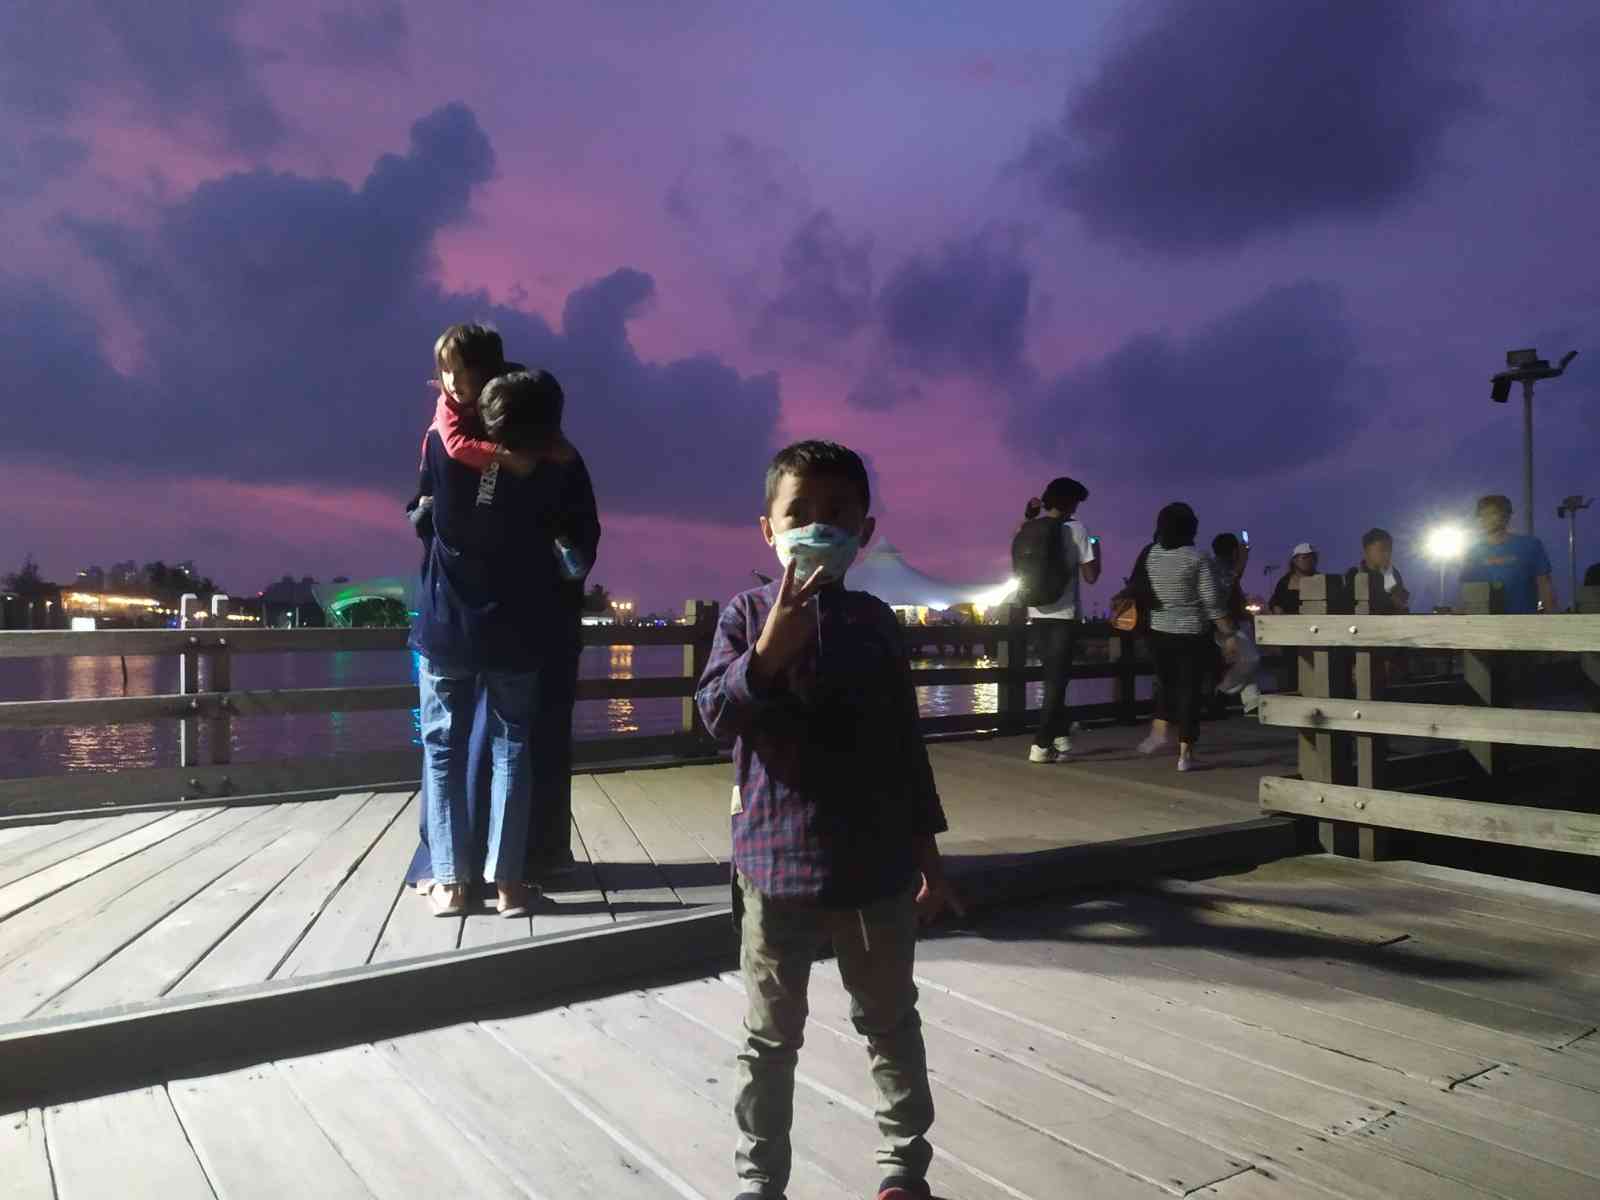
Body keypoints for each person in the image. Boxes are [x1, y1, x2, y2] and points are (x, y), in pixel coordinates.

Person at [695, 439, 962, 1200]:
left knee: (889, 1023)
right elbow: (713, 714)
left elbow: (907, 750)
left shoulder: (877, 624)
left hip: (876, 868)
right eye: (799, 513)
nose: (818, 529)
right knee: (769, 1038)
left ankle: (903, 1171)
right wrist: (767, 656)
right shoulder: (745, 616)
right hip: (774, 866)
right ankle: (759, 1181)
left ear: (865, 532)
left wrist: (930, 862)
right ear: (767, 528)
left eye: (837, 515)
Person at [408, 370, 587, 919]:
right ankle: (508, 883)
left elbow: (420, 516)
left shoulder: (445, 449)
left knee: (442, 751)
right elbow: (575, 553)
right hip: (517, 632)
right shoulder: (555, 473)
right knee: (513, 752)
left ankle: (448, 883)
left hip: (447, 626)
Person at [1137, 503, 1240, 771]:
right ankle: (1185, 753)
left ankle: (1158, 733)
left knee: (1166, 684)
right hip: (1191, 634)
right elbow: (1212, 603)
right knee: (1189, 692)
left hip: (1158, 632)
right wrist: (1229, 634)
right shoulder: (1198, 558)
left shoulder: (1152, 555)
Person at [1016, 477, 1100, 763]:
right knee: (1057, 682)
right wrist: (1094, 548)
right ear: (1071, 504)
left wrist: (1029, 514)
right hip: (1064, 615)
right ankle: (1040, 745)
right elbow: (1091, 577)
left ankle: (1061, 736)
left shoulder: (1030, 527)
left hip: (1036, 611)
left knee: (1052, 677)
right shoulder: (1077, 529)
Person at [1460, 494, 1556, 614]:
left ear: (1506, 516)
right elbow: (1465, 592)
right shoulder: (1472, 551)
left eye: (1492, 513)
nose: (1486, 518)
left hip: (1523, 622)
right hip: (1483, 624)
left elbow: (1544, 585)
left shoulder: (1530, 545)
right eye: (1482, 514)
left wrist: (1552, 619)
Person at [1209, 532, 1262, 714]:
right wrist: (1244, 557)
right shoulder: (1220, 567)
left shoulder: (1218, 566)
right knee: (1251, 658)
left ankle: (1252, 702)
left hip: (1226, 624)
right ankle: (1222, 692)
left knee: (1245, 659)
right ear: (1233, 551)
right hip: (1221, 625)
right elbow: (1230, 581)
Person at [1344, 528, 1410, 614]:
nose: (1387, 554)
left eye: (1390, 550)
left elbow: (1400, 605)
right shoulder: (1354, 575)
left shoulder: (1393, 574)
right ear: (1367, 551)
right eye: (1382, 550)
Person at [1269, 543, 1320, 615]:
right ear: (1294, 560)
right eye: (1304, 558)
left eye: (1312, 558)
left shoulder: (1321, 580)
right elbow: (1276, 603)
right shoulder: (1284, 582)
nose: (1309, 561)